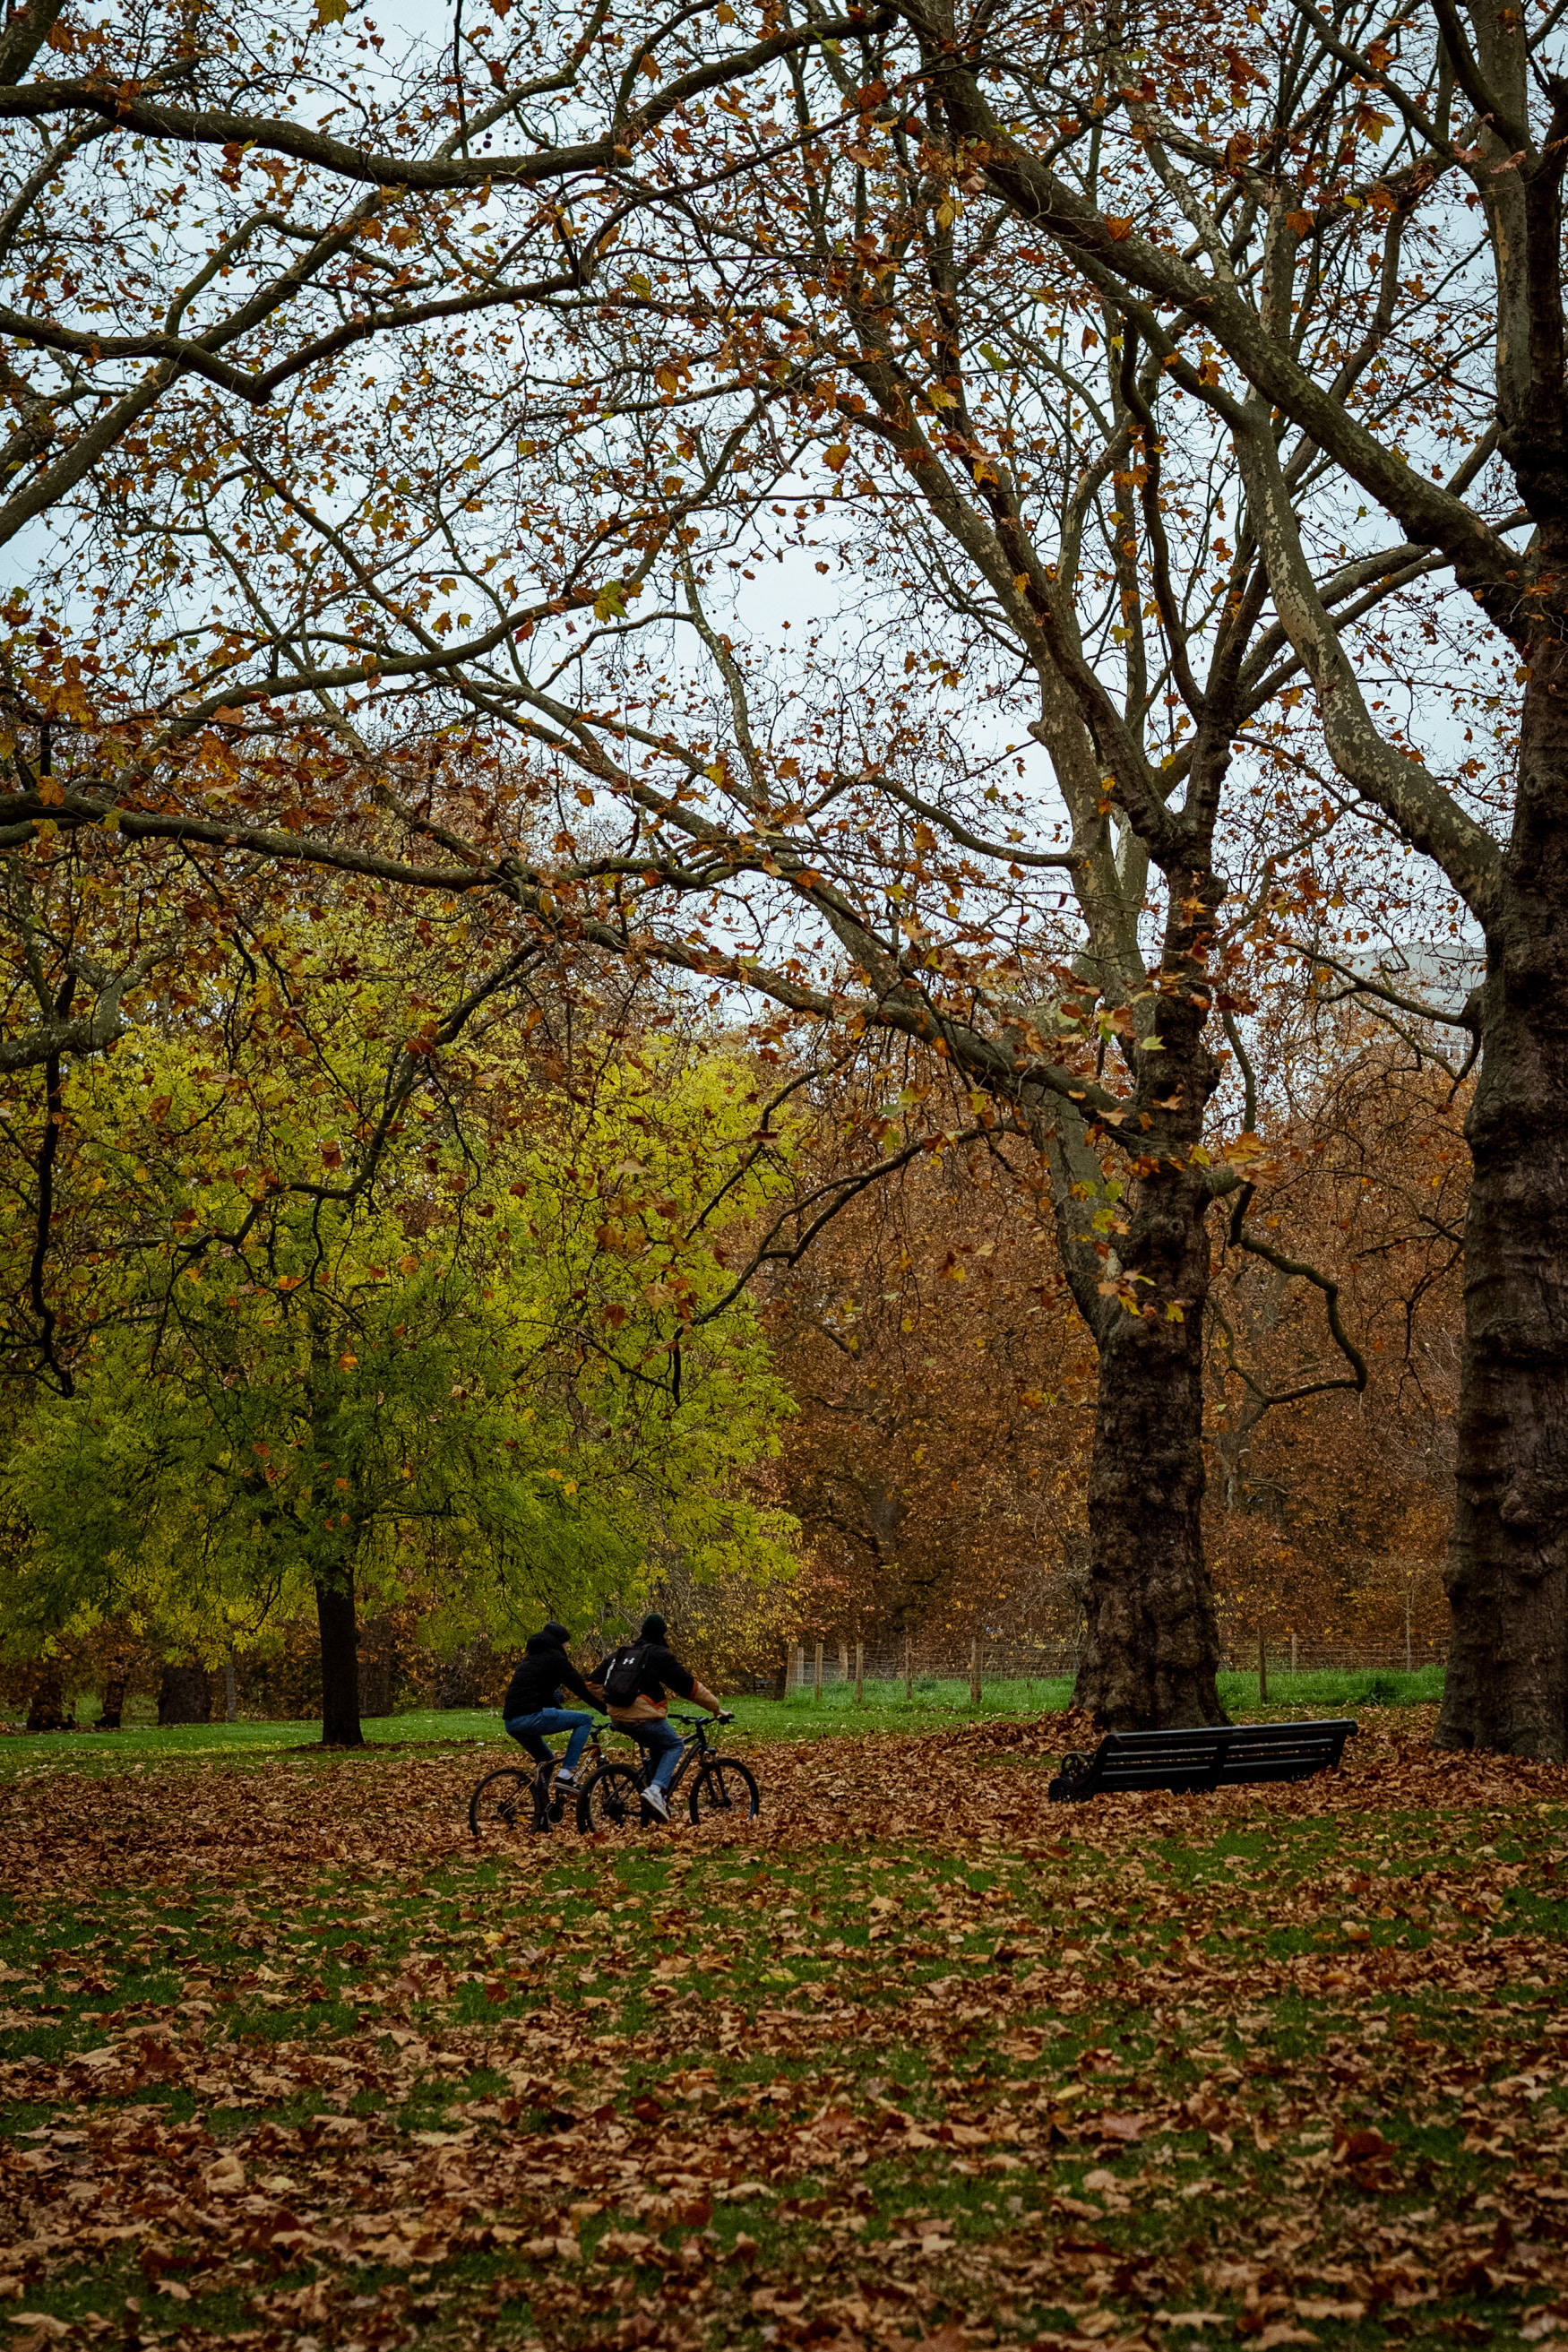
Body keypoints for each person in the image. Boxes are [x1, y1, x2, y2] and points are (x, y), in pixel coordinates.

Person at [596, 1613, 724, 1819]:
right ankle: (656, 1791)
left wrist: (613, 1706)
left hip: (617, 1718)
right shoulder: (659, 1655)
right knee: (674, 1745)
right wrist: (716, 1708)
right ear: (662, 1633)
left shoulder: (622, 1653)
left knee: (658, 1747)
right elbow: (688, 1687)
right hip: (643, 1718)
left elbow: (591, 1683)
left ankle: (652, 1803)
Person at [499, 1621, 606, 1794]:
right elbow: (580, 1688)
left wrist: (562, 1714)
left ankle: (541, 1810)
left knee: (546, 1761)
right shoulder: (556, 1658)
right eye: (567, 1643)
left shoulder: (533, 1657)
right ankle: (566, 1773)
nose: (568, 1646)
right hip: (531, 1716)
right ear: (559, 1642)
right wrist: (607, 1710)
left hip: (512, 1722)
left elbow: (542, 1694)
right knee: (585, 1720)